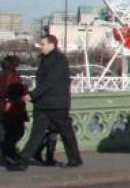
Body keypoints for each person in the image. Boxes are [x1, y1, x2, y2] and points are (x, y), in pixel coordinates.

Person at [8, 34, 82, 171]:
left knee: (65, 132)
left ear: (51, 44)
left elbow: (49, 82)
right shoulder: (49, 59)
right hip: (47, 104)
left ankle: (75, 159)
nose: (40, 47)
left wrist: (32, 95)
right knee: (39, 133)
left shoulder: (58, 60)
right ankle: (23, 160)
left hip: (55, 104)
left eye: (43, 44)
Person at [1, 54, 28, 162]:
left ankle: (7, 153)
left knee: (6, 132)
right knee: (17, 132)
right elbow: (17, 92)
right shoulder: (13, 76)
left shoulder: (2, 75)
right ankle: (9, 153)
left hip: (4, 109)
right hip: (13, 109)